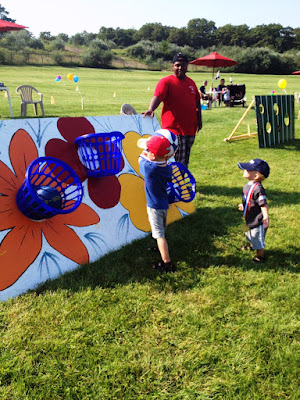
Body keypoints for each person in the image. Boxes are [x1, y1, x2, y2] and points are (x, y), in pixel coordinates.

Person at [142, 53, 202, 168]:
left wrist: (199, 119)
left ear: (187, 66)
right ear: (172, 66)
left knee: (184, 158)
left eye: (183, 65)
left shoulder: (191, 83)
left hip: (190, 129)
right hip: (173, 130)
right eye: (177, 65)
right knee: (173, 159)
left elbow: (197, 102)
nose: (180, 68)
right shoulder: (166, 82)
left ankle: (181, 181)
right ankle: (171, 182)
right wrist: (151, 109)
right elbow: (158, 96)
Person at [138, 135, 175, 273]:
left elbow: (140, 157)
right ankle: (160, 248)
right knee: (161, 229)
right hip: (163, 204)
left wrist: (144, 151)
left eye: (148, 150)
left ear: (152, 156)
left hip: (154, 207)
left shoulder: (149, 167)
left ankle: (167, 263)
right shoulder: (167, 167)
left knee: (159, 234)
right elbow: (156, 156)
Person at [237, 159, 270, 263]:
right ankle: (251, 245)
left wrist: (265, 216)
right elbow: (249, 200)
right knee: (248, 233)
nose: (245, 169)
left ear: (255, 175)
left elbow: (263, 204)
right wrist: (243, 205)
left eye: (248, 169)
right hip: (248, 218)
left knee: (257, 237)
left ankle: (260, 255)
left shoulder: (258, 189)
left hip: (257, 220)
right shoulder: (247, 185)